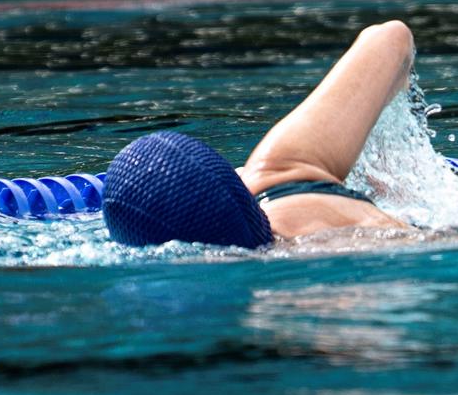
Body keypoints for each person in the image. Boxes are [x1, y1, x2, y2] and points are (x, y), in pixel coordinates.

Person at [102, 21, 416, 250]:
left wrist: (389, 185)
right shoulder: (331, 240)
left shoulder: (350, 248)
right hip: (278, 181)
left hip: (290, 176)